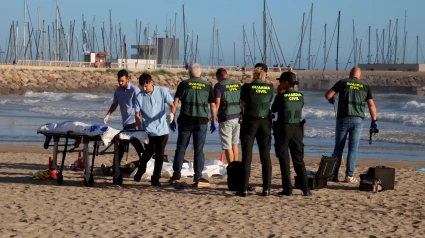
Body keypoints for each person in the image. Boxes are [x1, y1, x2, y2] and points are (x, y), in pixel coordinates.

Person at [325, 67, 378, 183]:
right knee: (353, 148)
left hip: (343, 118)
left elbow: (328, 95)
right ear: (360, 76)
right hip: (357, 120)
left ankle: (334, 175)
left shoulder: (343, 82)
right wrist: (374, 121)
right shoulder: (365, 85)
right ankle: (349, 176)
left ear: (350, 74)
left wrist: (331, 100)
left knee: (338, 148)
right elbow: (371, 105)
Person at [168, 63, 217, 187]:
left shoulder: (184, 84)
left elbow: (176, 102)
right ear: (199, 73)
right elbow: (212, 105)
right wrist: (213, 121)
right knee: (198, 149)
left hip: (185, 119)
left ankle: (176, 174)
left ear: (189, 73)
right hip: (201, 121)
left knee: (181, 147)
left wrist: (172, 116)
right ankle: (198, 176)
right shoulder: (207, 86)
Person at [272, 72, 311, 196]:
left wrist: (278, 93)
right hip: (297, 128)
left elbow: (273, 109)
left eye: (281, 81)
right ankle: (306, 189)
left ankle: (287, 189)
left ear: (286, 83)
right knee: (298, 159)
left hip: (283, 127)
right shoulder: (300, 96)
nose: (279, 83)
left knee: (284, 160)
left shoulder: (282, 96)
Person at [237, 63, 274, 197]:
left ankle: (244, 189)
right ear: (264, 76)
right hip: (264, 122)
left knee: (247, 156)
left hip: (250, 121)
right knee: (265, 156)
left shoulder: (247, 87)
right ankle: (266, 189)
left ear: (254, 75)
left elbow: (242, 103)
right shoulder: (270, 88)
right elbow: (269, 100)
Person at [133, 73, 176, 186]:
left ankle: (155, 178)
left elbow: (172, 105)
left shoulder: (162, 91)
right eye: (142, 86)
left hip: (162, 129)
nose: (144, 88)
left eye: (146, 85)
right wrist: (140, 128)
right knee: (148, 153)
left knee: (160, 154)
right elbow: (137, 114)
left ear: (151, 82)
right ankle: (141, 170)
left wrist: (172, 114)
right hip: (148, 130)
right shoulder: (139, 96)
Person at [103, 69, 144, 168]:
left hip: (133, 121)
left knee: (127, 143)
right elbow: (115, 103)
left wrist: (141, 123)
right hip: (125, 122)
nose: (120, 83)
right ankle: (143, 162)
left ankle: (115, 166)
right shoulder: (118, 90)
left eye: (122, 81)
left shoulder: (135, 90)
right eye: (119, 81)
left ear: (128, 79)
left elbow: (141, 106)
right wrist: (108, 114)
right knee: (131, 144)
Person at [214, 68, 241, 163]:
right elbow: (242, 101)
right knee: (235, 143)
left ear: (218, 77)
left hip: (226, 117)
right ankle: (236, 166)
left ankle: (231, 168)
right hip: (238, 117)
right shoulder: (237, 84)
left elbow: (217, 103)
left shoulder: (219, 86)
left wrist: (213, 118)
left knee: (227, 145)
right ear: (227, 75)